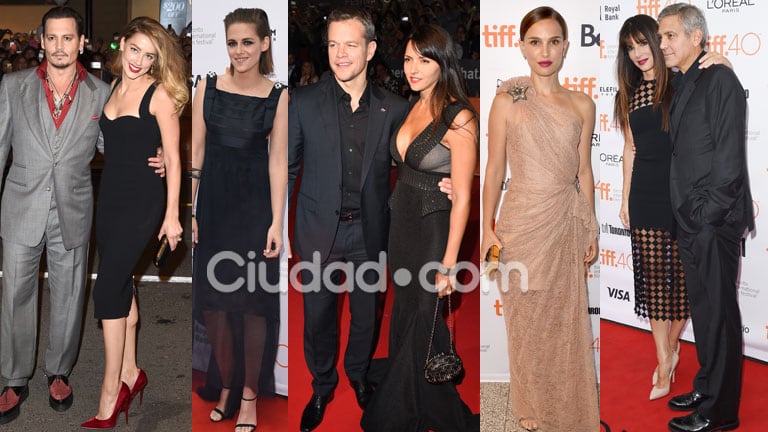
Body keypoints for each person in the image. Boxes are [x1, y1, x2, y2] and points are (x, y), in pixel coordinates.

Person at [0, 6, 163, 426]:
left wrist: (158, 156)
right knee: (15, 294)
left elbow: (116, 146)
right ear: (41, 39)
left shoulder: (99, 91)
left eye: (67, 38)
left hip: (74, 208)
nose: (59, 46)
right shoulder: (12, 86)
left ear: (81, 42)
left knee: (71, 295)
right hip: (21, 206)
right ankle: (15, 378)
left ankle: (60, 371)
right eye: (52, 38)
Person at [287, 7, 410, 432]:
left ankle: (358, 376)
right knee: (318, 317)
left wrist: (444, 184)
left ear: (371, 49)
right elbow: (285, 168)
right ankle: (322, 386)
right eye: (333, 44)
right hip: (319, 228)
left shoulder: (395, 108)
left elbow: (412, 166)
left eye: (350, 44)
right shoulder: (301, 102)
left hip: (371, 232)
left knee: (366, 315)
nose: (339, 54)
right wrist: (273, 224)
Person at [481, 6, 599, 431]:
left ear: (566, 47)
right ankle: (530, 407)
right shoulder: (506, 102)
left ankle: (564, 403)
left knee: (563, 321)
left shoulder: (582, 104)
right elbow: (494, 170)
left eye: (553, 41)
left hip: (565, 221)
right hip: (521, 224)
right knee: (526, 323)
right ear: (522, 48)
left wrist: (592, 226)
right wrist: (486, 228)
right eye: (535, 42)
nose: (544, 50)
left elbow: (583, 171)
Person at [360, 23, 479, 432]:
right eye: (408, 59)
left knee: (423, 312)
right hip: (403, 221)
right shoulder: (413, 103)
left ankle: (407, 409)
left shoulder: (459, 117)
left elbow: (463, 196)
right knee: (408, 310)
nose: (413, 68)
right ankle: (426, 387)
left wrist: (449, 264)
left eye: (424, 60)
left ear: (442, 63)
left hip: (433, 228)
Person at [613, 14, 732, 403]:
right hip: (645, 193)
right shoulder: (627, 94)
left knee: (682, 284)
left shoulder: (682, 83)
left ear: (658, 42)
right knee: (651, 280)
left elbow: (715, 92)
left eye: (643, 43)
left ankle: (673, 346)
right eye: (630, 48)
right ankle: (664, 357)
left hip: (681, 192)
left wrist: (724, 62)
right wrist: (625, 194)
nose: (638, 54)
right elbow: (630, 149)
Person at [80, 16, 187, 429]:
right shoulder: (111, 88)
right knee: (119, 280)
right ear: (121, 45)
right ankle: (132, 372)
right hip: (109, 197)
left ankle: (111, 391)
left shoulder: (157, 95)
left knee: (107, 286)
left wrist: (172, 215)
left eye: (149, 54)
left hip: (143, 200)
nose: (139, 60)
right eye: (134, 49)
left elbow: (174, 159)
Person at [656, 4, 753, 432]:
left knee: (719, 316)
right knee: (704, 310)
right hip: (692, 221)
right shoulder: (688, 81)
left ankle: (720, 412)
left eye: (669, 36)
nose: (662, 46)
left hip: (712, 221)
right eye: (660, 38)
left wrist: (704, 214)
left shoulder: (721, 80)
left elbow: (729, 162)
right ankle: (706, 385)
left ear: (697, 37)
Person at [191, 8, 287, 432]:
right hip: (212, 208)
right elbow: (196, 153)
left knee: (251, 309)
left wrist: (275, 222)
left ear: (265, 43)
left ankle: (249, 395)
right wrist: (190, 211)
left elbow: (278, 162)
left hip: (253, 211)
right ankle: (227, 384)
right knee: (213, 308)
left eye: (248, 41)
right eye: (232, 42)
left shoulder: (278, 95)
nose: (240, 50)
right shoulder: (206, 88)